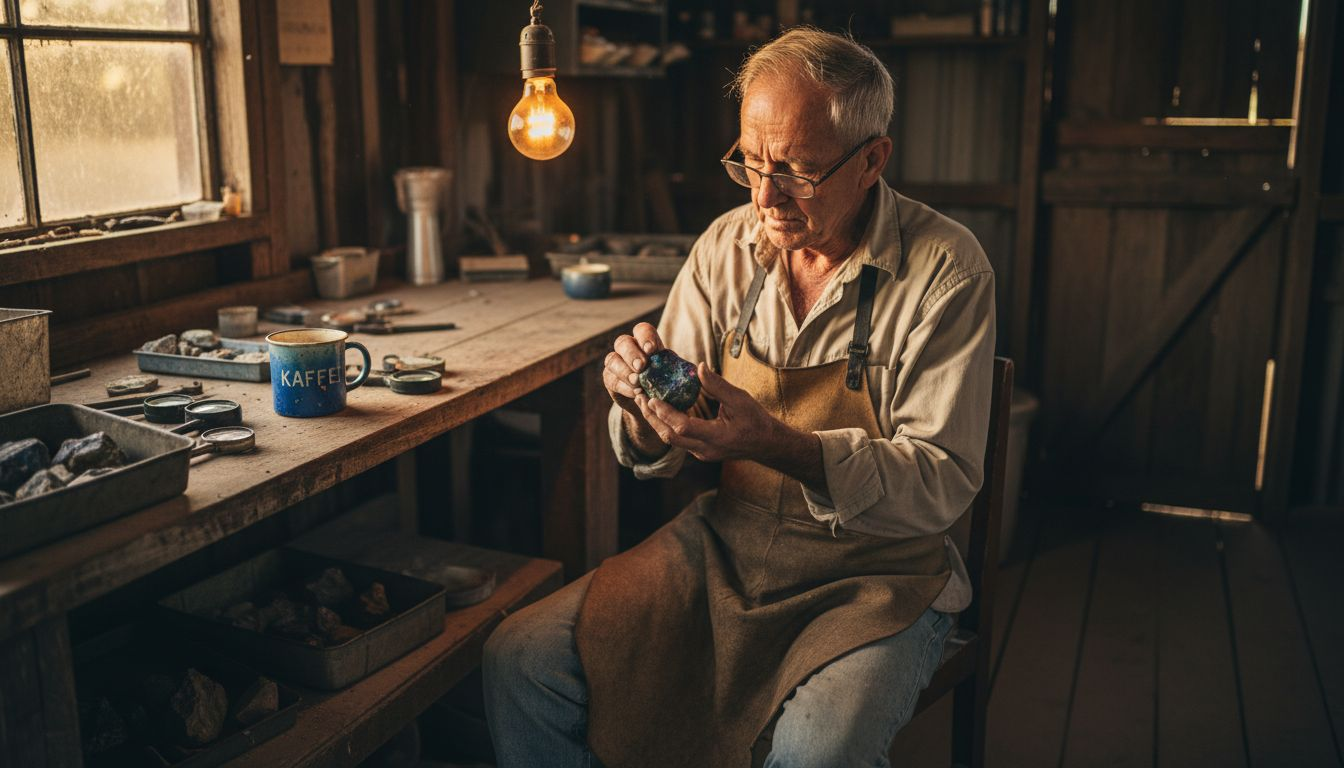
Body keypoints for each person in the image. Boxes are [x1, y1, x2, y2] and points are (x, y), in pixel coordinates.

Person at [484, 26, 996, 768]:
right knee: (520, 659)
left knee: (820, 753)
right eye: (750, 163)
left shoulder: (947, 270)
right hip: (726, 546)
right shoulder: (725, 247)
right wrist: (642, 410)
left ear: (873, 159)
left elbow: (941, 482)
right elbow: (654, 447)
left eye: (796, 170)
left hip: (876, 573)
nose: (765, 196)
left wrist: (776, 444)